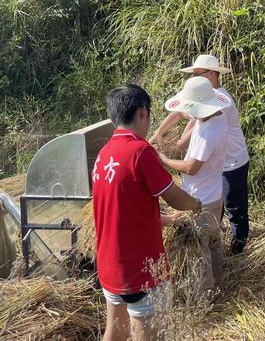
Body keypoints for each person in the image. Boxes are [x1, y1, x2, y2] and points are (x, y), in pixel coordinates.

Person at [93, 84, 202, 341]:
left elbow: (121, 211)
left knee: (116, 331)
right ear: (143, 112)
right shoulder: (140, 151)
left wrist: (166, 221)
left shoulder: (104, 154)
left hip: (110, 265)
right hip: (141, 269)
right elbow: (174, 197)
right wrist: (196, 205)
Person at [151, 54, 250, 254]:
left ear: (211, 74)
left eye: (197, 73)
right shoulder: (206, 98)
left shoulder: (220, 103)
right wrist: (158, 133)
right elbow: (181, 112)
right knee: (216, 205)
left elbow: (195, 126)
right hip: (215, 162)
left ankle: (238, 248)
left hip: (233, 162)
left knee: (234, 208)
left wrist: (176, 148)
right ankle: (217, 242)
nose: (193, 78)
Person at [159, 76, 231, 292]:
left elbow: (191, 167)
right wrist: (159, 133)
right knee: (213, 241)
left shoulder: (209, 133)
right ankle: (220, 280)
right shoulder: (215, 117)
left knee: (200, 250)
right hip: (213, 194)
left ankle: (206, 294)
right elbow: (182, 113)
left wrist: (163, 159)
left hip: (201, 201)